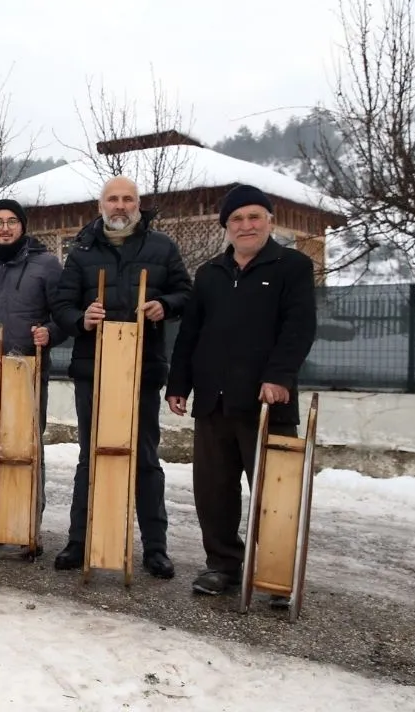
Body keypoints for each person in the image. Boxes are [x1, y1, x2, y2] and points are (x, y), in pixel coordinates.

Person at [165, 183, 317, 598]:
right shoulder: (210, 274)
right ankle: (222, 566)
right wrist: (178, 385)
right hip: (213, 401)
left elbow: (299, 328)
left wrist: (280, 377)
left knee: (274, 492)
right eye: (237, 219)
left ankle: (275, 573)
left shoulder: (292, 266)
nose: (246, 225)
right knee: (213, 492)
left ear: (269, 221)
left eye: (254, 217)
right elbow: (190, 334)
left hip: (267, 402)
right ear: (226, 227)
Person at [50, 176, 192, 579]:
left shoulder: (162, 247)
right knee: (89, 456)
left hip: (141, 369)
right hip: (93, 369)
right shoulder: (81, 251)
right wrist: (82, 319)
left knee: (145, 458)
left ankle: (155, 549)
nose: (120, 206)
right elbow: (61, 304)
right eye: (112, 199)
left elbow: (186, 293)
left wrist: (165, 304)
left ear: (138, 205)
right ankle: (80, 541)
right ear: (101, 206)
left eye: (127, 199)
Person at [0, 199, 65, 551]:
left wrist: (49, 332)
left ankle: (27, 524)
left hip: (27, 368)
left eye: (11, 222)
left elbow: (64, 314)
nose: (4, 228)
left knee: (27, 446)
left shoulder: (47, 265)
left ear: (22, 226)